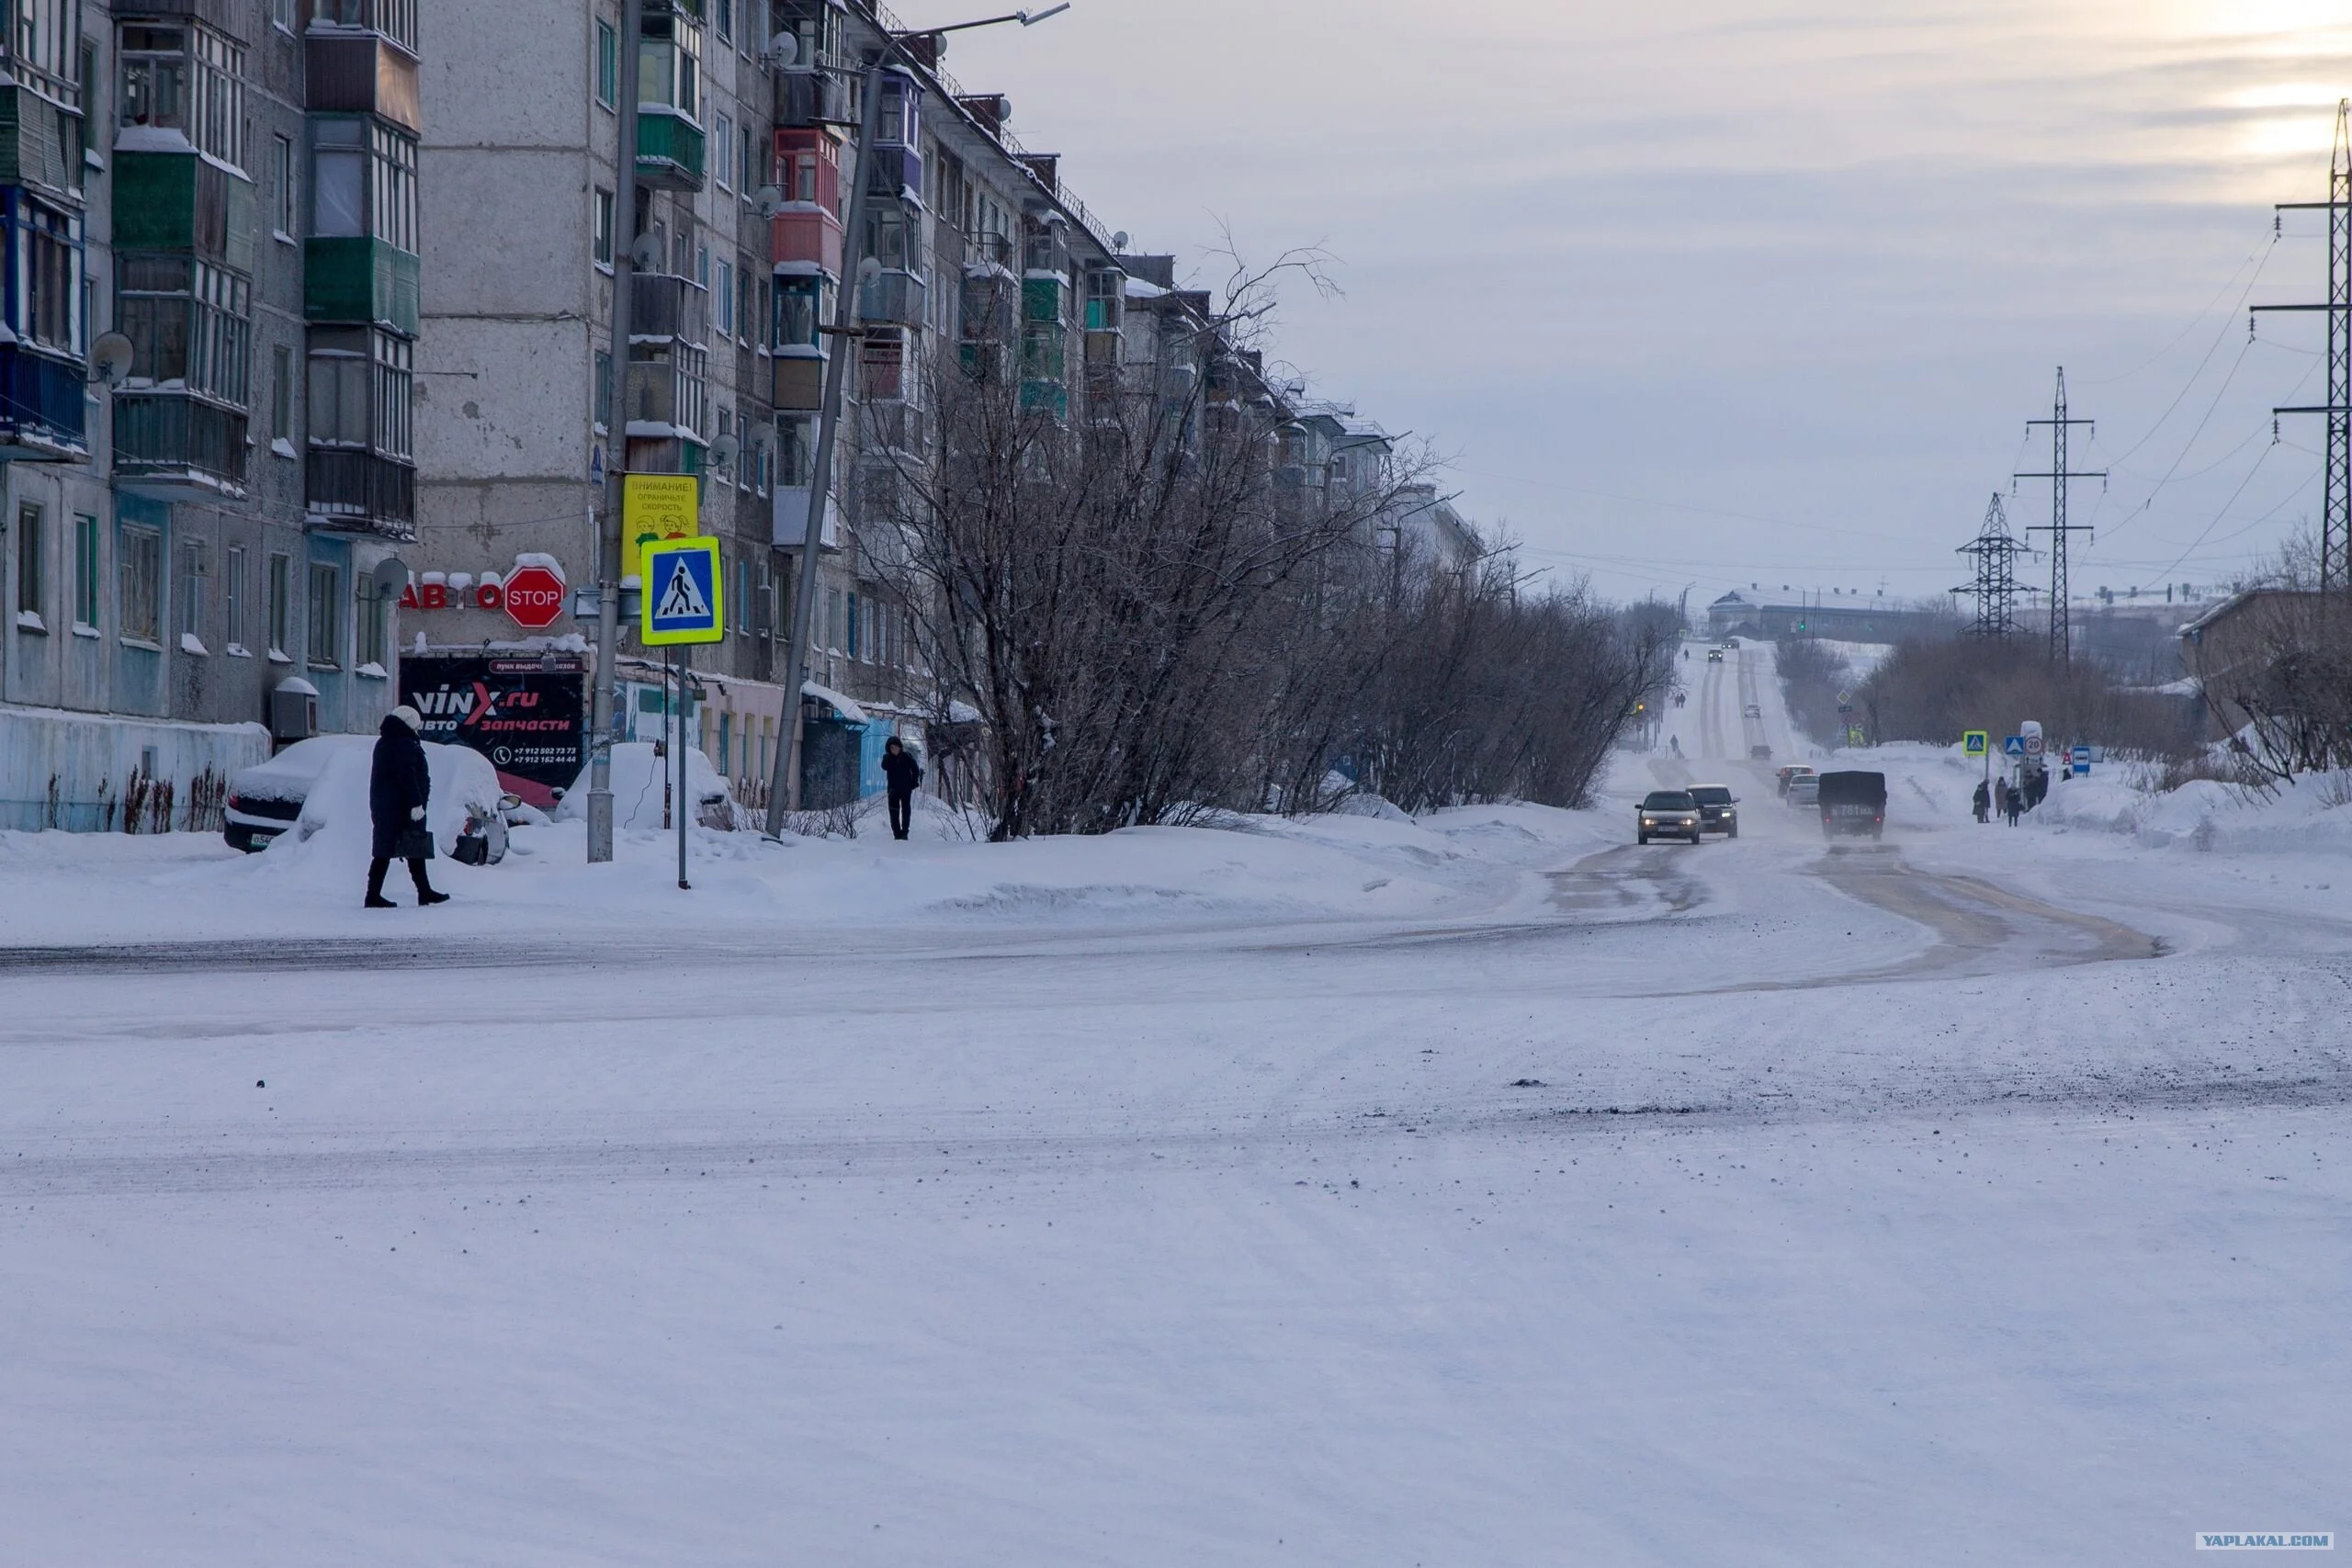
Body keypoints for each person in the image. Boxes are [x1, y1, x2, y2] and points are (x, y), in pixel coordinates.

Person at [368, 705, 447, 908]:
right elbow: (407, 776)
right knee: (405, 845)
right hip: (401, 806)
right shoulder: (404, 744)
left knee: (400, 847)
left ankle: (422, 891)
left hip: (386, 806)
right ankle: (374, 896)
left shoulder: (385, 742)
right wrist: (416, 803)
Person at [881, 736, 923, 841]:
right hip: (893, 790)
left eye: (896, 747)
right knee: (893, 812)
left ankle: (904, 832)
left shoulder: (907, 757)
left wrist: (913, 783)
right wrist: (886, 758)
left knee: (906, 811)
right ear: (889, 749)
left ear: (900, 747)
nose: (894, 750)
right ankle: (896, 833)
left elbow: (915, 770)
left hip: (905, 789)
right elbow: (884, 766)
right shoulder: (888, 759)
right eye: (892, 748)